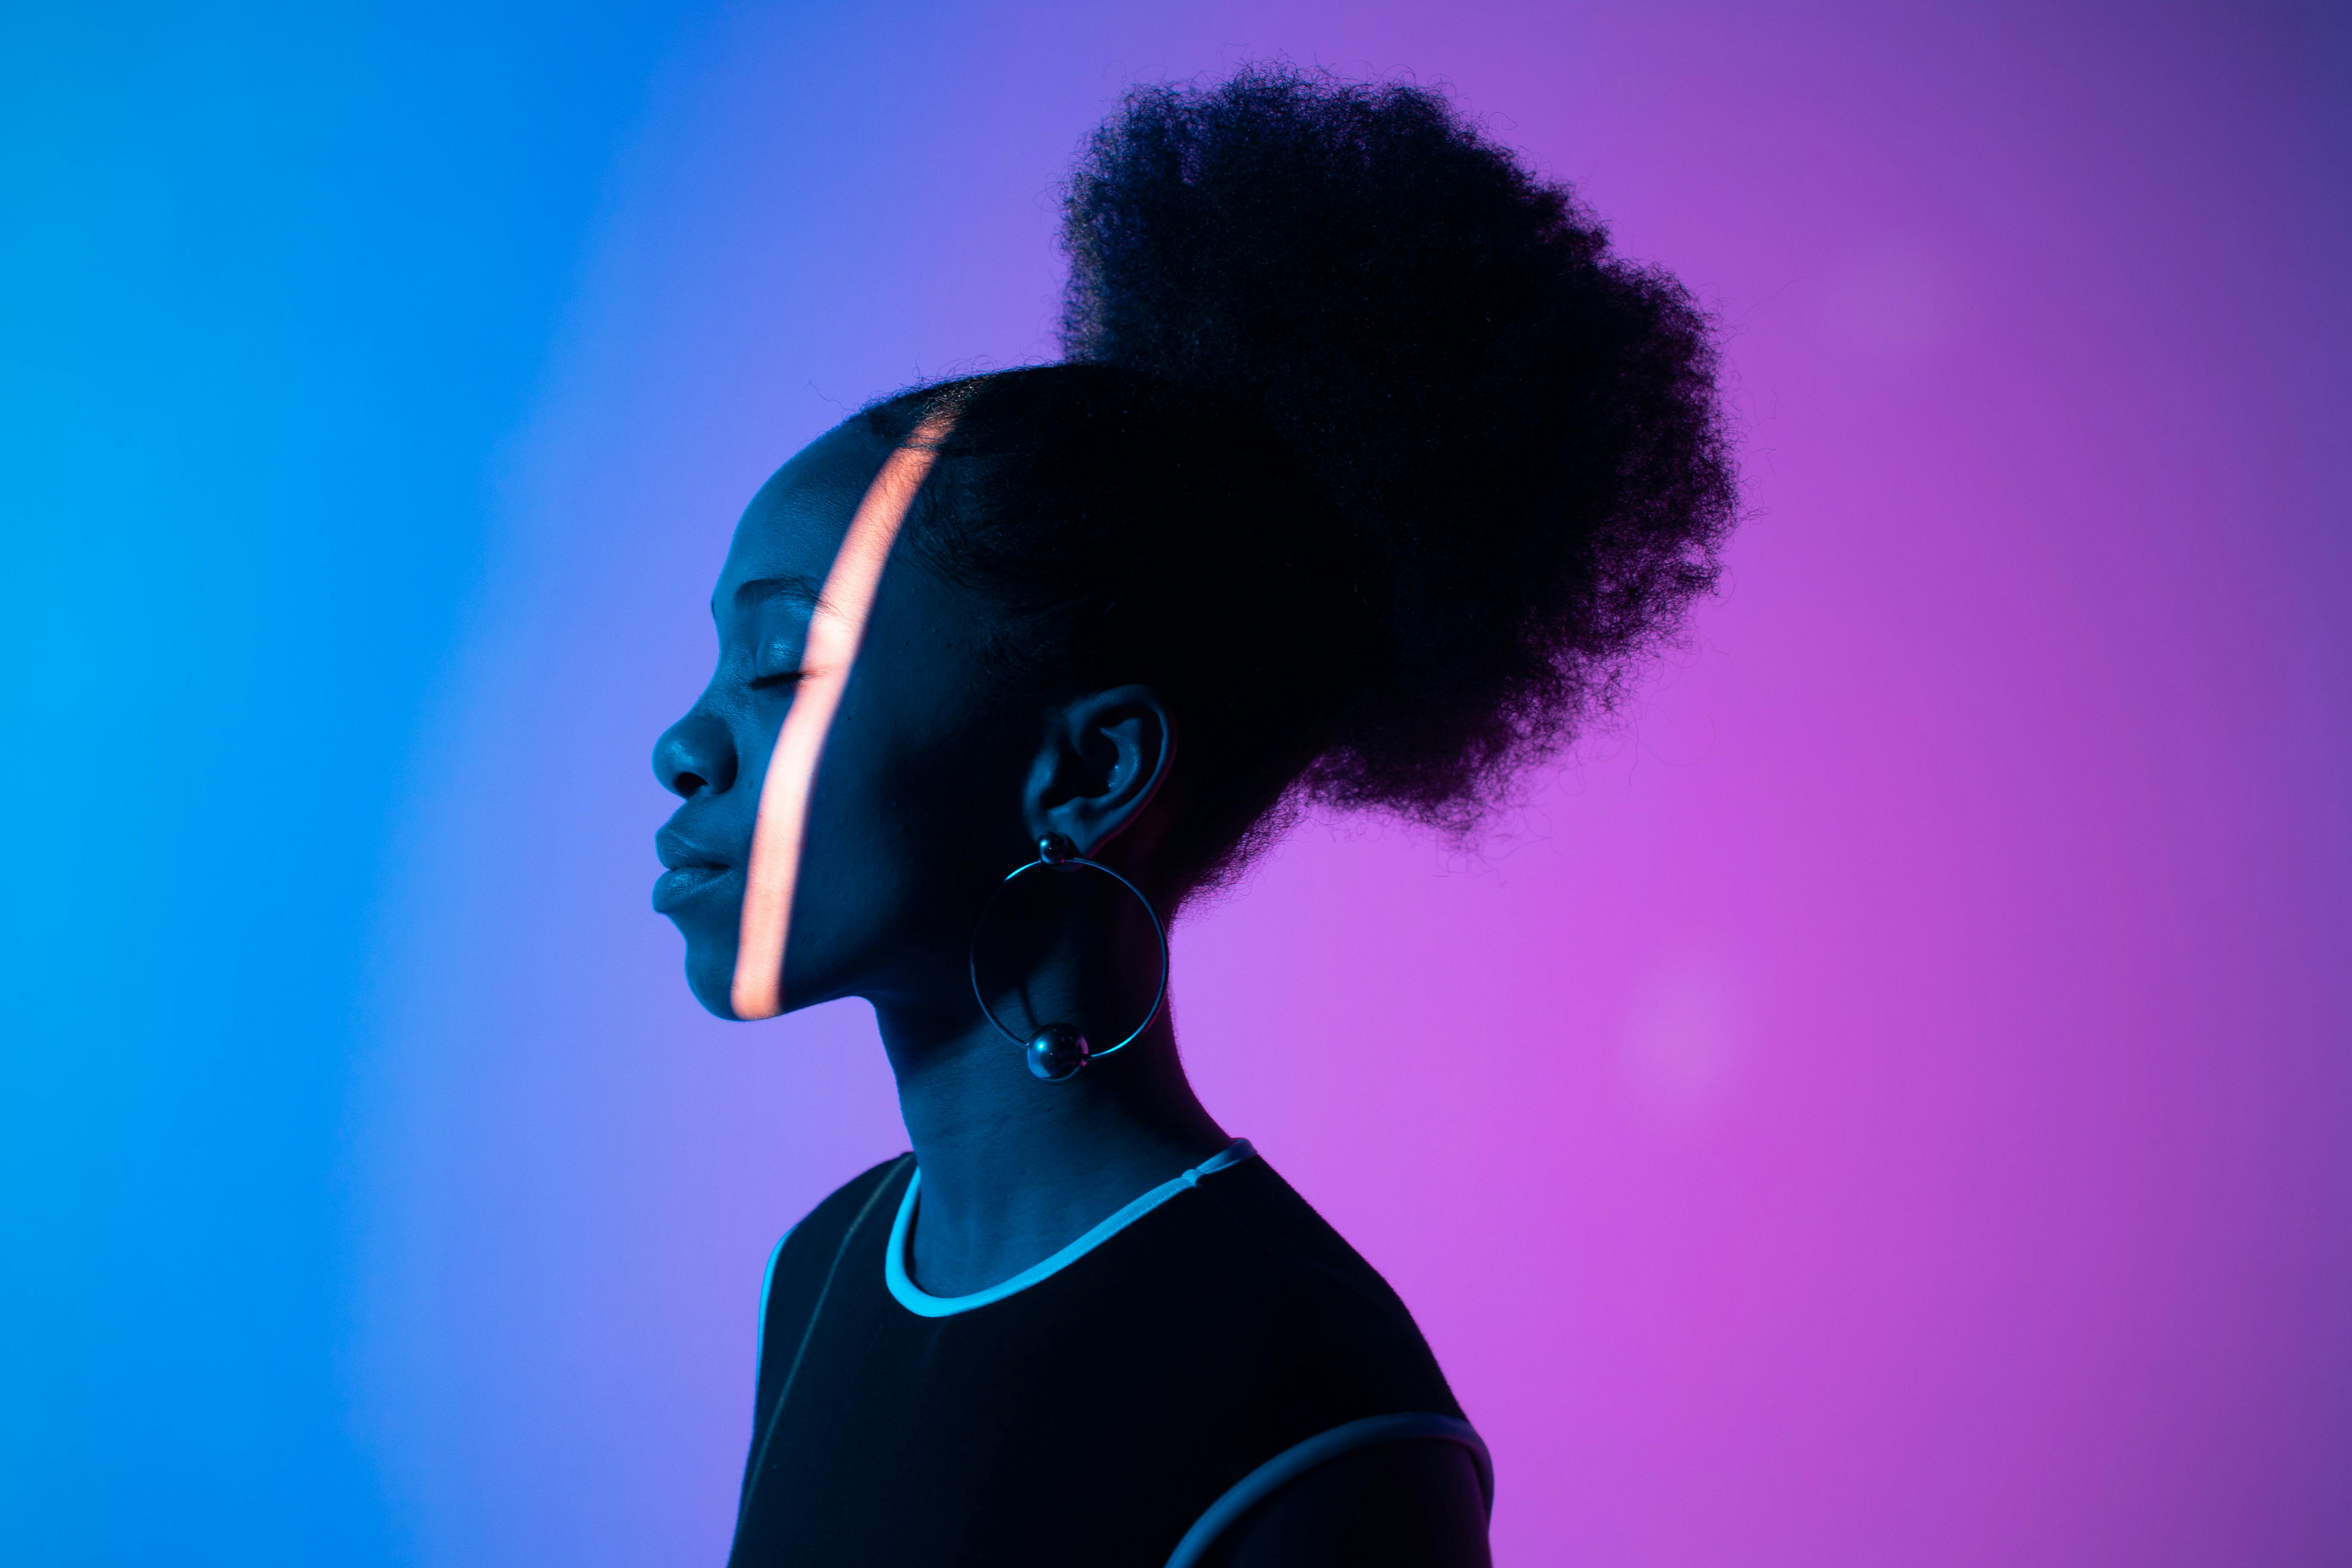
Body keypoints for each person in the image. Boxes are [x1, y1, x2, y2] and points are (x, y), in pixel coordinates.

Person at [651, 64, 1734, 1567]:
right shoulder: (828, 1273)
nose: (685, 745)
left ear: (1089, 774)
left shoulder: (1300, 1412)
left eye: (784, 664)